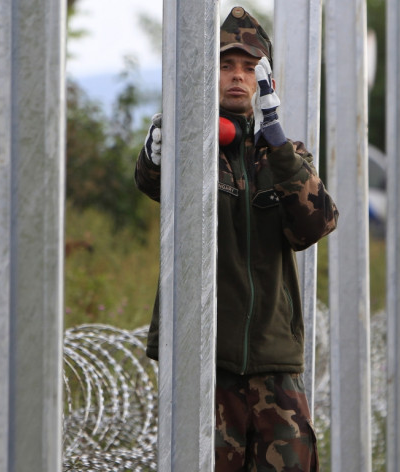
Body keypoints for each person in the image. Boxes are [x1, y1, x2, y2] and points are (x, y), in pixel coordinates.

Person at [135, 6, 338, 471]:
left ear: (264, 78)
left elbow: (315, 224)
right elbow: (151, 181)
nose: (237, 77)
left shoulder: (286, 157)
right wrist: (155, 152)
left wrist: (278, 141)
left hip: (273, 364)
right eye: (225, 65)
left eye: (249, 68)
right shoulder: (192, 144)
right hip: (203, 361)